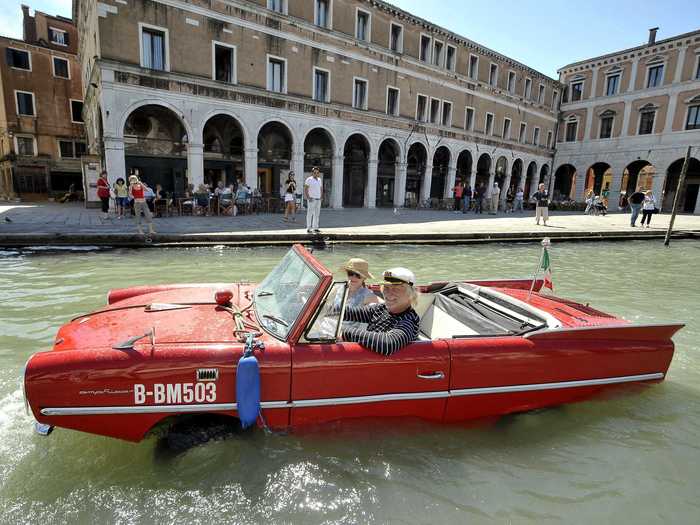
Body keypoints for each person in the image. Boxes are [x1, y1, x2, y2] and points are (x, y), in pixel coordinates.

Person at [340, 267, 420, 356]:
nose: (389, 293)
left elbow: (388, 344)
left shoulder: (408, 320)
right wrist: (326, 308)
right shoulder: (382, 308)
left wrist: (344, 332)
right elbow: (350, 312)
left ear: (411, 294)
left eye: (396, 289)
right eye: (386, 287)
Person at [304, 167, 322, 234]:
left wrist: (321, 197)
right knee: (310, 214)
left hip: (318, 199)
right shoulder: (309, 179)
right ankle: (308, 228)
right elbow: (306, 189)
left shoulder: (319, 179)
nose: (316, 174)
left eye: (317, 173)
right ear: (312, 173)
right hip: (312, 199)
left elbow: (321, 188)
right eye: (315, 172)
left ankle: (316, 228)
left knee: (317, 214)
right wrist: (308, 197)